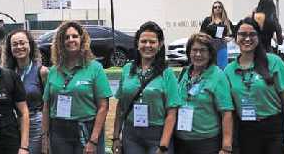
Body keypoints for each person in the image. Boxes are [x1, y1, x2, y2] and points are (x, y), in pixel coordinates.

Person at [224, 18, 284, 154]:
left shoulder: (273, 62)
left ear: (259, 37)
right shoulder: (228, 70)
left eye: (252, 34)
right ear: (235, 38)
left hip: (273, 129)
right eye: (242, 34)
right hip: (246, 130)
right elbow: (229, 110)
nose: (247, 38)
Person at [42, 21, 112, 154]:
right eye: (66, 37)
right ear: (60, 43)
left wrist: (93, 140)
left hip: (86, 129)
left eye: (74, 36)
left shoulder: (95, 68)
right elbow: (46, 105)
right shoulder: (53, 71)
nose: (70, 40)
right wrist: (44, 137)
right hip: (59, 132)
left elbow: (103, 107)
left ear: (82, 39)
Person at [113, 21, 180, 154]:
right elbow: (121, 106)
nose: (147, 45)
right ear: (137, 44)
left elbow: (172, 113)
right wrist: (115, 137)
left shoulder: (167, 73)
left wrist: (163, 146)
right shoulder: (127, 70)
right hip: (131, 135)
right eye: (143, 41)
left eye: (152, 42)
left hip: (157, 135)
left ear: (160, 45)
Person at [174, 32, 234, 154]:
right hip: (181, 140)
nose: (198, 54)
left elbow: (226, 112)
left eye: (203, 50)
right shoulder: (185, 72)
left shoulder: (217, 76)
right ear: (189, 52)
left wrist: (226, 146)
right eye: (194, 50)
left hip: (206, 142)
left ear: (210, 53)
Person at [4, 29, 50, 154]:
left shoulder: (42, 72)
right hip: (13, 126)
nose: (19, 47)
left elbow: (49, 104)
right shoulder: (7, 74)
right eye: (15, 44)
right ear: (10, 49)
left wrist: (46, 134)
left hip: (36, 126)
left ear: (30, 45)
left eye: (22, 43)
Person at [200, 2, 235, 69]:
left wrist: (230, 38)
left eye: (219, 7)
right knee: (210, 65)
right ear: (213, 9)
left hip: (222, 45)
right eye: (215, 7)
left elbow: (234, 33)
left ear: (222, 9)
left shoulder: (226, 21)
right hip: (210, 45)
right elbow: (201, 33)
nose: (217, 8)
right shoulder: (208, 20)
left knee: (223, 66)